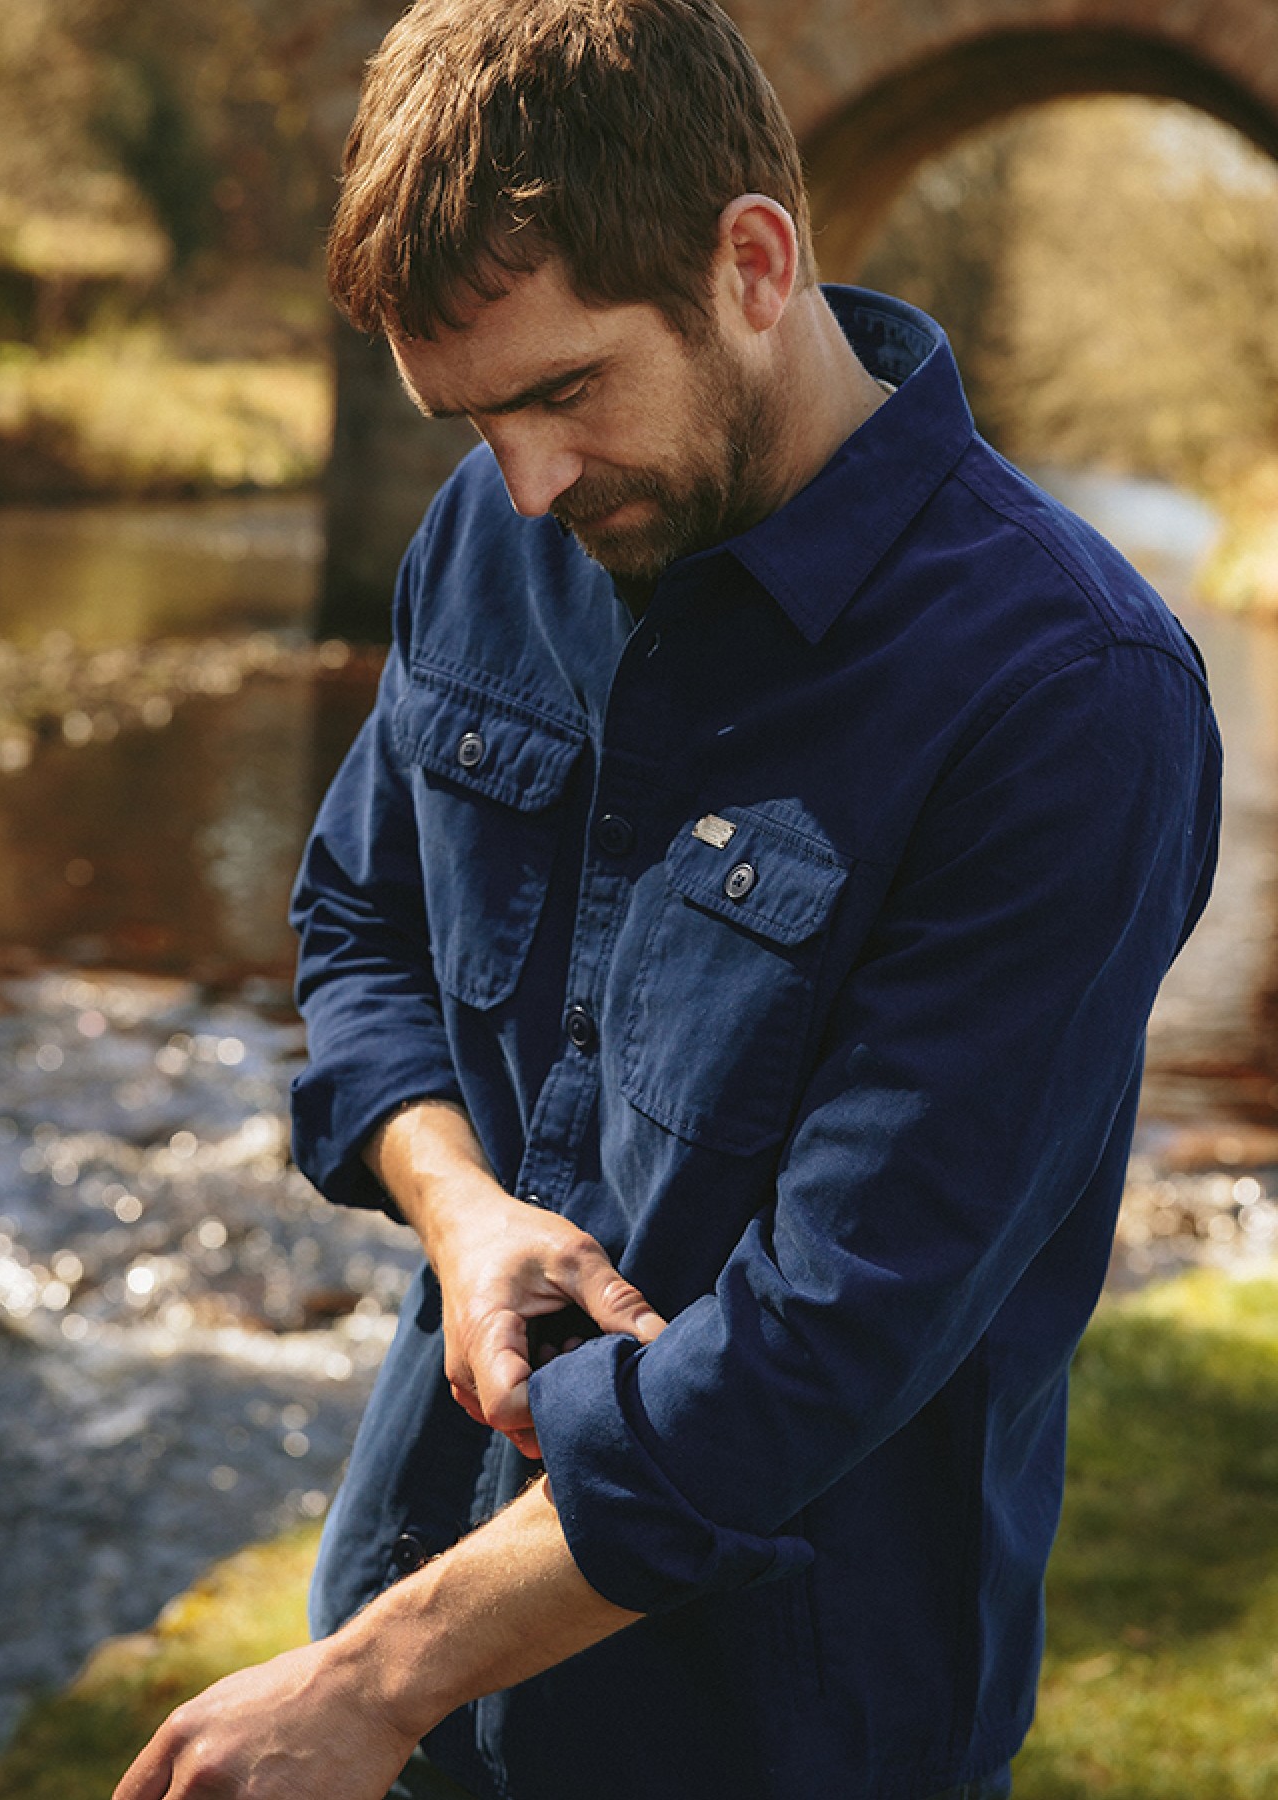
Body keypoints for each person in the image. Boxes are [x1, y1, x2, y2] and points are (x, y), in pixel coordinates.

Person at [114, 3, 1222, 1797]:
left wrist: (371, 1682)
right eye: (471, 421)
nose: (528, 485)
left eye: (564, 392)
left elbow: (830, 1334)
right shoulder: (493, 528)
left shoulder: (1070, 700)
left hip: (779, 1720)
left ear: (757, 262)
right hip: (410, 1582)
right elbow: (358, 930)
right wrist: (458, 1203)